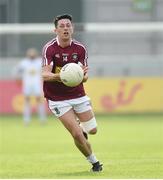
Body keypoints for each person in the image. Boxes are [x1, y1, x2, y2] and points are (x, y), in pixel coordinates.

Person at [42, 14, 103, 172]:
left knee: (93, 131)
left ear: (73, 28)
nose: (65, 28)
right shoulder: (50, 48)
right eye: (61, 26)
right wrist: (61, 76)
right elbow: (45, 75)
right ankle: (95, 163)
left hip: (78, 95)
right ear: (55, 30)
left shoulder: (80, 48)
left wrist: (82, 76)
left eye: (68, 25)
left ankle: (83, 128)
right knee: (76, 134)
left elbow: (85, 76)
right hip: (57, 99)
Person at [15, 48, 46, 125]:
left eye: (33, 53)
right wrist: (18, 78)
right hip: (27, 84)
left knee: (39, 100)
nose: (32, 55)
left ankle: (42, 119)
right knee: (27, 101)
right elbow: (17, 70)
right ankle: (26, 120)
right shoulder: (24, 62)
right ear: (28, 54)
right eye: (30, 53)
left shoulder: (39, 62)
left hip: (37, 84)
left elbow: (44, 71)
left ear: (35, 54)